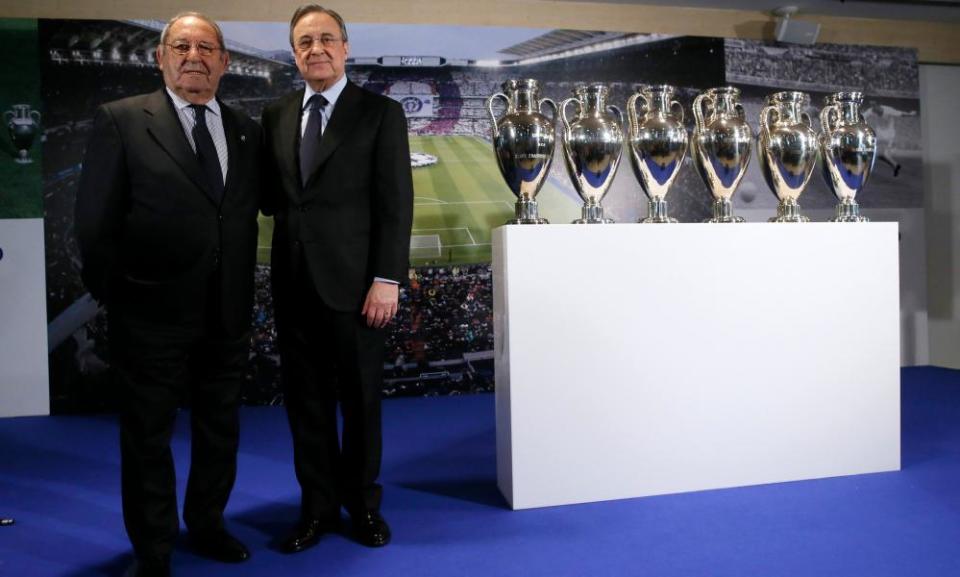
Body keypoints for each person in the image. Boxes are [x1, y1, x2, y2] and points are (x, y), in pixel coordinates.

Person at [75, 12, 261, 577]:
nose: (194, 56)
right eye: (181, 45)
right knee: (148, 438)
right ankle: (153, 548)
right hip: (150, 315)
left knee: (219, 431)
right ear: (160, 57)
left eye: (207, 47)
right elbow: (93, 224)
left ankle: (207, 524)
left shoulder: (244, 130)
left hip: (226, 312)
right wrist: (123, 296)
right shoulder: (122, 120)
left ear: (225, 63)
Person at [260, 4, 413, 552]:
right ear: (294, 52)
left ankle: (362, 507)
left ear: (346, 48)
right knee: (307, 408)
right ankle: (316, 510)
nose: (316, 49)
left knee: (361, 404)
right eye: (305, 41)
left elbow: (396, 205)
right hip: (294, 288)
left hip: (357, 290)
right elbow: (271, 199)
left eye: (326, 39)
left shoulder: (380, 113)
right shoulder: (275, 114)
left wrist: (387, 278)